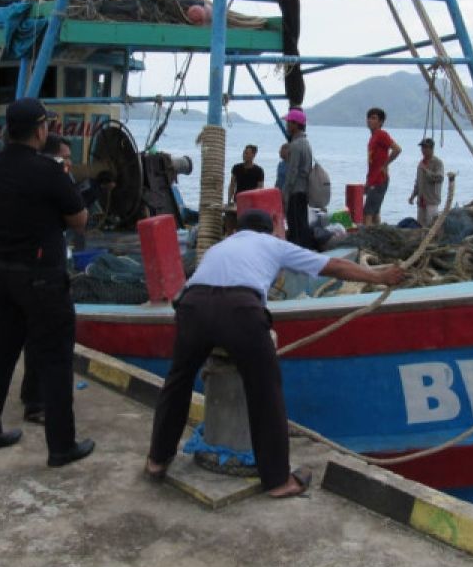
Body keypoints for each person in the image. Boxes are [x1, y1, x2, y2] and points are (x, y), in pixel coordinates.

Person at [144, 209, 406, 497]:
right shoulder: (274, 244)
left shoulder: (220, 246)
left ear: (236, 230)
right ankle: (278, 480)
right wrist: (379, 276)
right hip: (240, 308)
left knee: (178, 382)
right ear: (269, 231)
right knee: (265, 390)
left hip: (192, 306)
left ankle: (157, 460)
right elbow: (333, 266)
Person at [0, 98, 95, 467]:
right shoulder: (49, 171)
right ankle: (61, 446)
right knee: (55, 359)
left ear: (7, 130)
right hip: (40, 276)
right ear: (41, 130)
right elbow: (79, 219)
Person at [17, 133, 76, 425]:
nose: (69, 163)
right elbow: (78, 218)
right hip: (44, 272)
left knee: (25, 340)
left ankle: (30, 394)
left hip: (16, 269)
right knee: (52, 342)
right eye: (65, 158)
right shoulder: (52, 177)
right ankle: (39, 406)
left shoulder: (3, 171)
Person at [281, 109, 314, 249]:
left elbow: (292, 172)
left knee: (295, 228)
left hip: (295, 191)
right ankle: (307, 251)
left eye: (289, 122)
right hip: (304, 190)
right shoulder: (306, 143)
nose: (287, 125)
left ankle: (297, 256)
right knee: (302, 224)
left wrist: (285, 194)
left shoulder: (295, 146)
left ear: (295, 124)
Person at [363, 107, 401, 226]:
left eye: (374, 118)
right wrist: (367, 182)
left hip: (380, 179)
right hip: (373, 179)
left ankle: (367, 241)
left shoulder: (381, 134)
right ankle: (377, 239)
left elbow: (397, 149)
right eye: (369, 118)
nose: (370, 120)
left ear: (380, 122)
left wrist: (386, 164)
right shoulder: (373, 138)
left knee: (367, 213)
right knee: (375, 212)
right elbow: (372, 163)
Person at [408, 138, 445, 227]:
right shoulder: (421, 163)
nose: (423, 150)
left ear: (431, 149)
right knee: (420, 225)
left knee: (431, 225)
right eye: (422, 148)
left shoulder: (437, 163)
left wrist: (427, 171)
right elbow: (418, 182)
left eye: (425, 148)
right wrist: (413, 196)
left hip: (431, 200)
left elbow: (440, 178)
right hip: (421, 200)